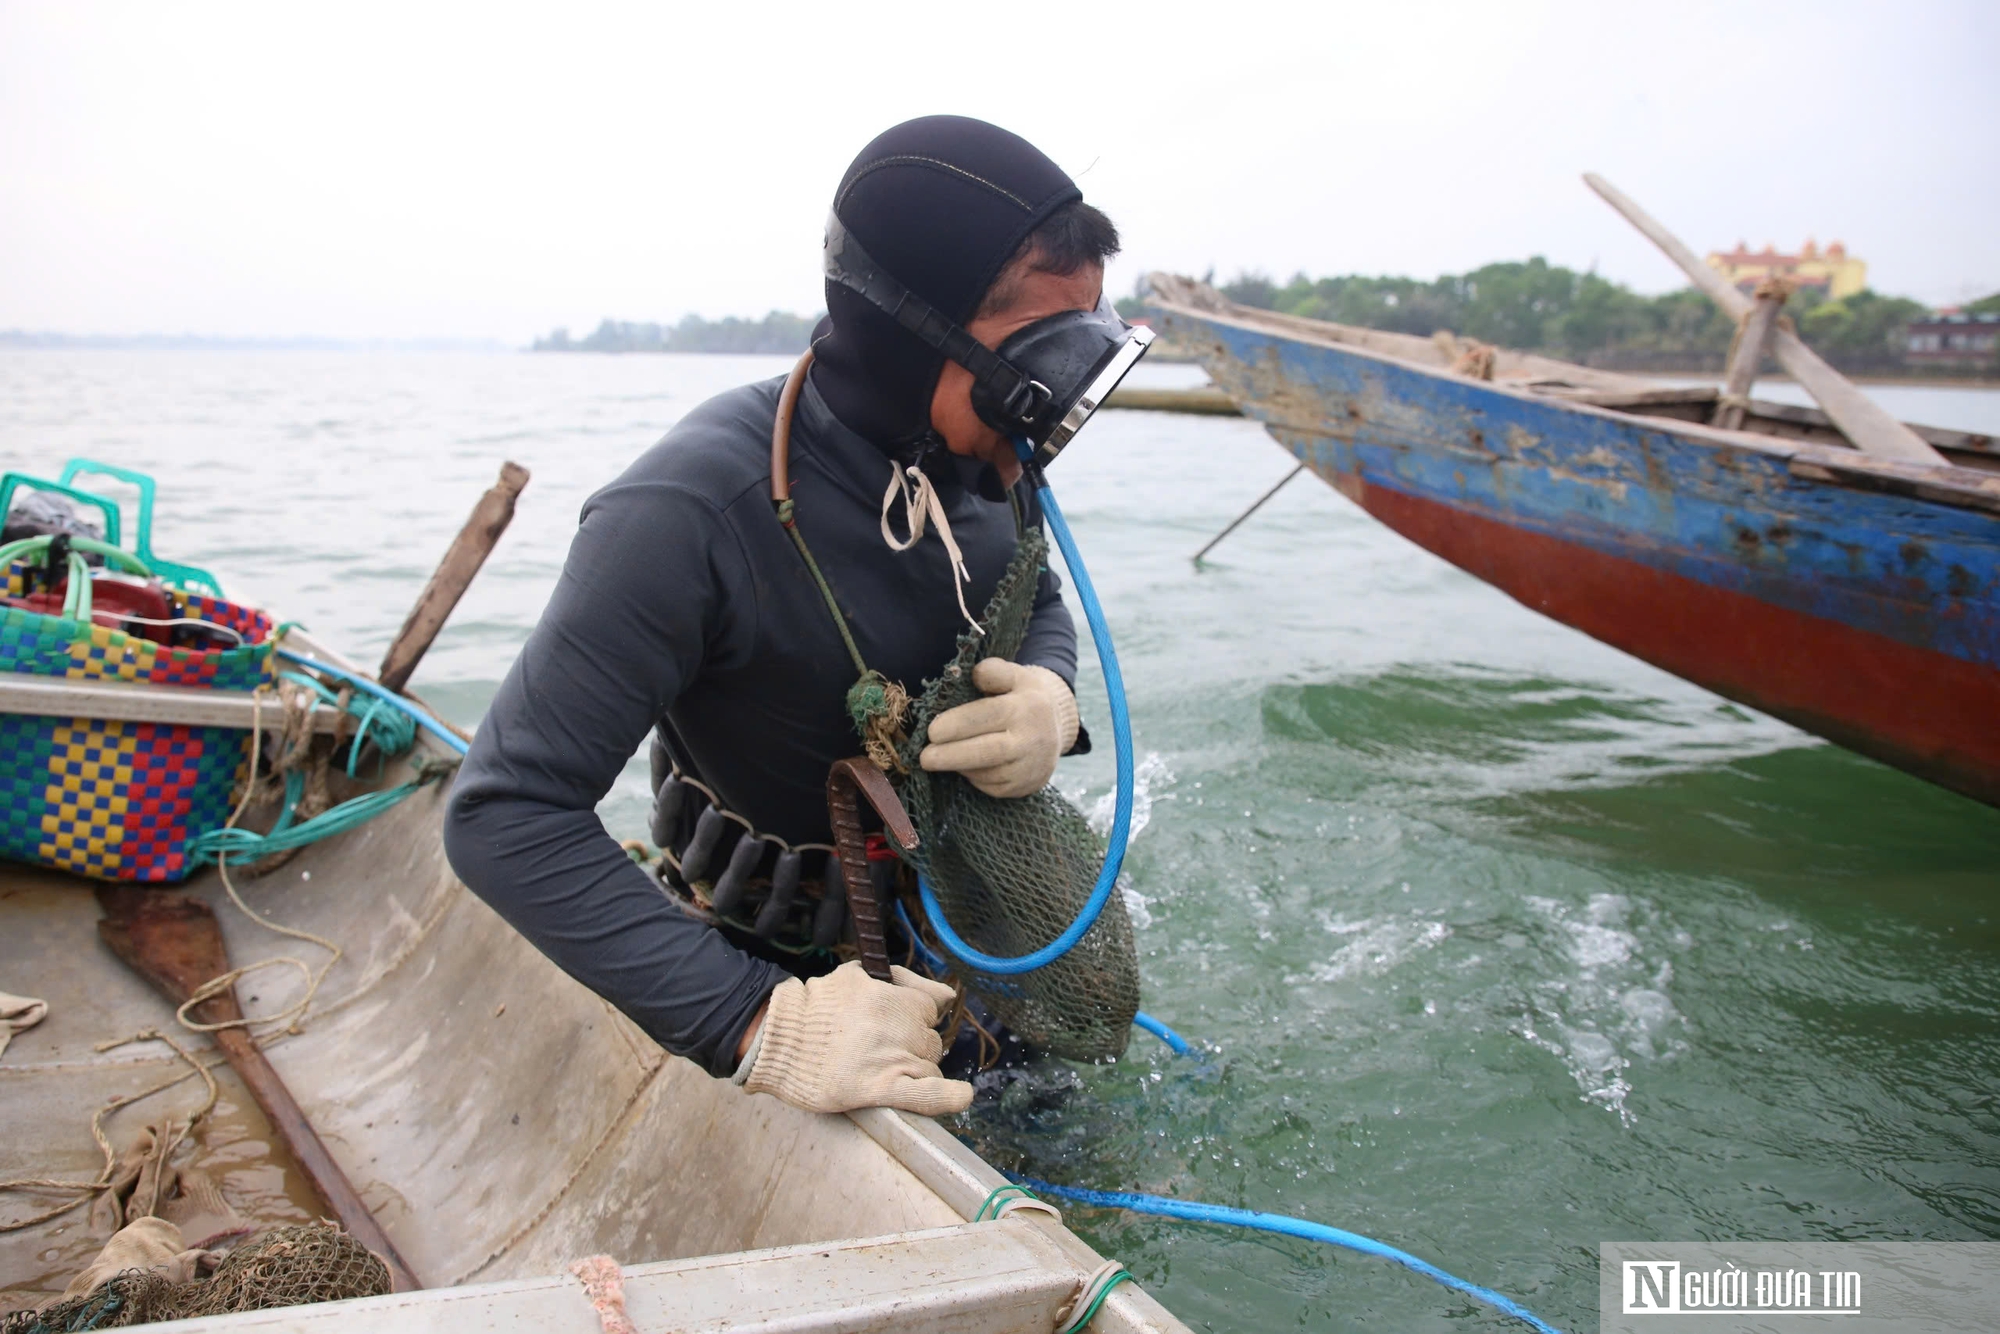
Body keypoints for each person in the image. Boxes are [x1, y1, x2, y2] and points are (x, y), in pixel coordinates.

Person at [443, 115, 1127, 1118]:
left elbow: (1038, 598)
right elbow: (503, 816)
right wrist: (759, 1021)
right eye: (1036, 356)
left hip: (963, 931)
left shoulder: (983, 455)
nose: (1050, 400)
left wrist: (1051, 694)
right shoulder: (685, 511)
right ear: (907, 333)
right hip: (759, 961)